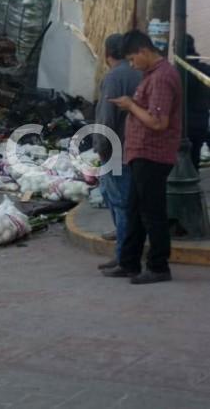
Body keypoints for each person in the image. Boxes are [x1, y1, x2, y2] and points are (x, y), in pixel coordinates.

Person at [104, 30, 182, 285]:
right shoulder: (151, 76)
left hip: (153, 154)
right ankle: (129, 262)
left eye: (132, 59)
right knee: (135, 209)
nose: (132, 64)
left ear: (143, 52)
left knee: (152, 213)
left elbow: (159, 122)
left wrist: (130, 105)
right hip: (141, 154)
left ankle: (158, 266)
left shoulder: (161, 78)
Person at [93, 34, 142, 270]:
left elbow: (106, 118)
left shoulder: (114, 77)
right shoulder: (139, 72)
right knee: (120, 200)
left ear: (107, 53)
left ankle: (124, 257)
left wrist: (100, 148)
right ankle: (124, 249)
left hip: (115, 151)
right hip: (133, 149)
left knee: (120, 203)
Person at [186, 35, 210, 170]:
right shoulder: (205, 70)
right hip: (201, 122)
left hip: (183, 125)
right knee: (194, 160)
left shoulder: (179, 71)